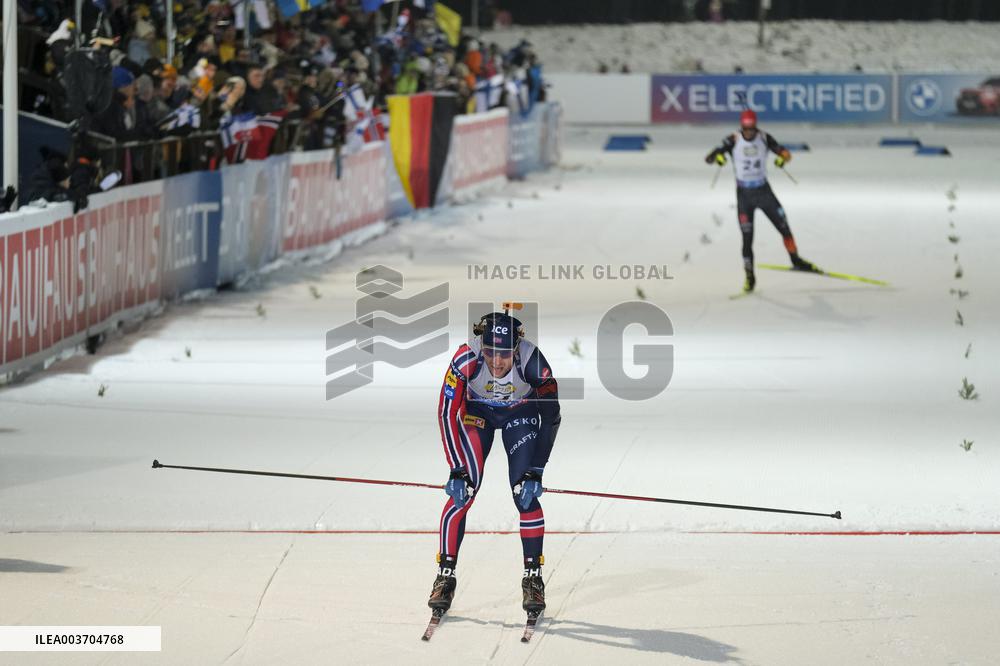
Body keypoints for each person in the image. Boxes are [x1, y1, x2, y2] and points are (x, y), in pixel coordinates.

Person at [429, 309, 561, 616]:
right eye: (490, 352)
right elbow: (446, 413)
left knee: (524, 494)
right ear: (481, 345)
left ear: (516, 348)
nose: (497, 362)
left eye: (504, 354)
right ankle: (445, 575)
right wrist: (456, 469)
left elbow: (551, 416)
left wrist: (536, 470)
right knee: (464, 491)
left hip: (520, 414)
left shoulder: (533, 361)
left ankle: (533, 577)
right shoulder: (466, 358)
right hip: (478, 415)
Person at [705, 109, 817, 292]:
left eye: (752, 128)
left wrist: (783, 159)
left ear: (756, 126)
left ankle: (796, 259)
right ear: (741, 126)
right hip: (744, 196)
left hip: (764, 192)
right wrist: (717, 157)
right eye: (746, 128)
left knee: (784, 227)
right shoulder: (733, 139)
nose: (749, 132)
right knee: (747, 239)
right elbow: (708, 158)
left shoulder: (764, 138)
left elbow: (786, 153)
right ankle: (749, 277)